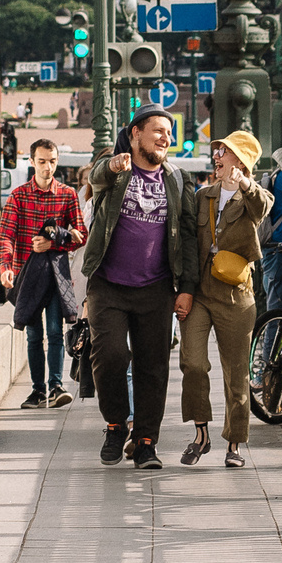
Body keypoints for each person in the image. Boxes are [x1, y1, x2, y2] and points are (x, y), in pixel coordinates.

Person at [83, 108, 200, 469]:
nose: (166, 138)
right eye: (158, 131)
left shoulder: (177, 180)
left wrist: (187, 287)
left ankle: (146, 442)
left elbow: (190, 236)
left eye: (169, 132)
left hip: (157, 288)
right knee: (111, 357)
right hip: (108, 284)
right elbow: (96, 176)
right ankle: (116, 425)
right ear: (135, 134)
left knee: (154, 368)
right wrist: (113, 167)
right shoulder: (116, 172)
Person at [178, 131, 270, 469]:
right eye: (216, 150)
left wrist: (245, 185)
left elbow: (262, 208)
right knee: (193, 363)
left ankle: (234, 442)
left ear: (240, 161)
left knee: (236, 373)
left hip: (235, 296)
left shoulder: (253, 197)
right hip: (200, 291)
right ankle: (201, 433)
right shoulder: (203, 196)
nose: (217, 155)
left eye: (225, 151)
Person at [4, 138, 84, 408]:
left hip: (56, 275)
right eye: (42, 162)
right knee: (34, 333)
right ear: (32, 162)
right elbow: (6, 235)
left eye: (52, 161)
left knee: (55, 330)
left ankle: (56, 386)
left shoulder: (67, 195)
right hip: (26, 276)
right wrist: (4, 267)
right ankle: (37, 391)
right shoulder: (18, 196)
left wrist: (55, 242)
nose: (47, 167)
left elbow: (81, 235)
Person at [261, 163, 282, 312]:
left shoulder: (279, 174)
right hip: (280, 251)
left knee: (275, 307)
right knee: (277, 310)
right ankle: (270, 336)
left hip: (272, 248)